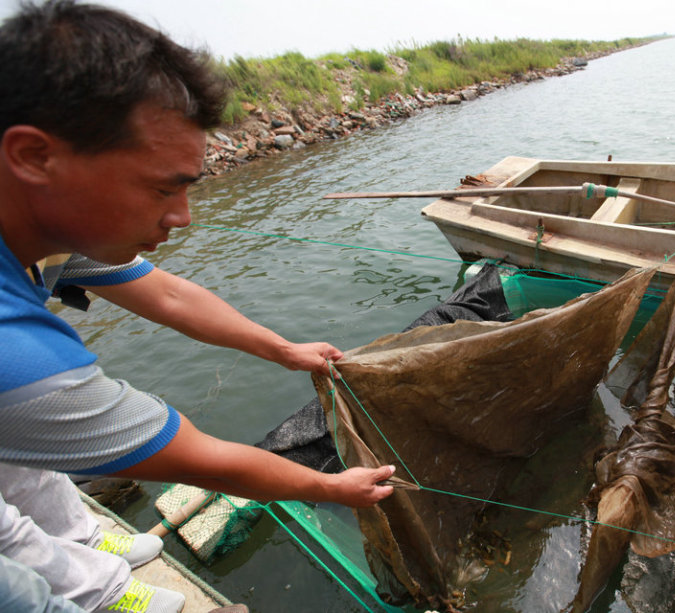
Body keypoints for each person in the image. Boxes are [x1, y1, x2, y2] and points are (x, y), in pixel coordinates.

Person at [0, 1, 395, 611]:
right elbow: (198, 457)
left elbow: (168, 293)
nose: (182, 218)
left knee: (21, 461)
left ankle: (80, 539)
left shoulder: (40, 222)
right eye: (163, 188)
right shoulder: (20, 358)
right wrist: (331, 487)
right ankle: (100, 595)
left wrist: (285, 351)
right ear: (33, 156)